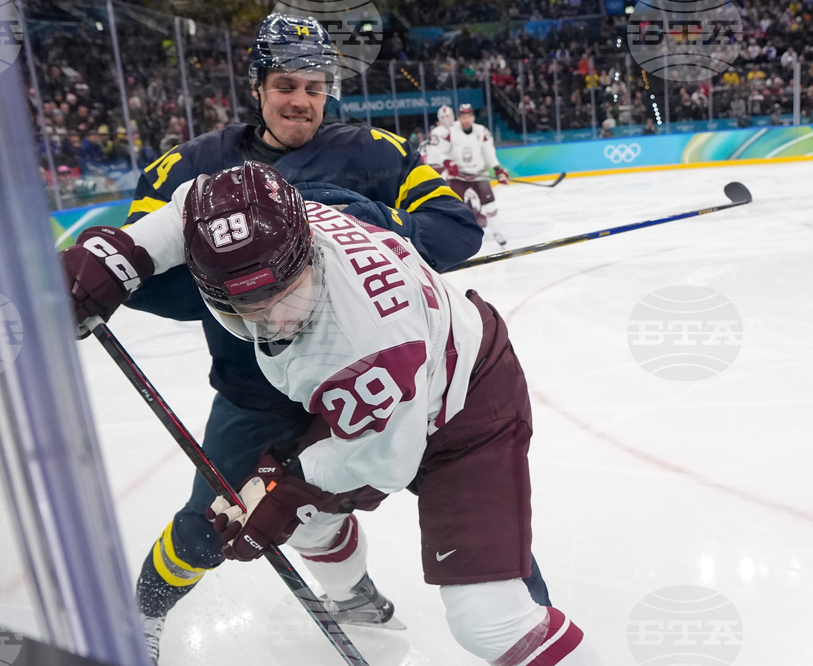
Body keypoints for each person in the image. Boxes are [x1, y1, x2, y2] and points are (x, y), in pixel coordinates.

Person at [60, 12, 550, 664]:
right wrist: (159, 284)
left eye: (315, 87)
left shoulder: (375, 152)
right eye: (286, 84)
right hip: (255, 394)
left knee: (470, 523)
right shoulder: (187, 168)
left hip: (375, 369)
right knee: (210, 525)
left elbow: (455, 228)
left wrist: (359, 230)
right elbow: (145, 275)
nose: (301, 100)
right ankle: (140, 618)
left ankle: (499, 616)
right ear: (258, 86)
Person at [118, 162, 599, 665]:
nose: (274, 319)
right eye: (249, 306)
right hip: (397, 382)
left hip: (462, 407)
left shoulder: (364, 342)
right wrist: (112, 259)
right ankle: (354, 599)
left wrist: (284, 492)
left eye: (284, 292)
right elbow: (188, 212)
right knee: (307, 523)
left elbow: (388, 461)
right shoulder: (281, 214)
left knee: (488, 621)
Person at [427, 103, 511, 248]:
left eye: (469, 117)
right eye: (463, 117)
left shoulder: (482, 131)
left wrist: (497, 169)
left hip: (480, 175)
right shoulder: (450, 132)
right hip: (458, 176)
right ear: (459, 118)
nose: (466, 120)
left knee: (490, 205)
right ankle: (455, 236)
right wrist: (447, 162)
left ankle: (497, 232)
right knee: (454, 208)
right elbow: (437, 151)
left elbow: (488, 153)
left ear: (473, 117)